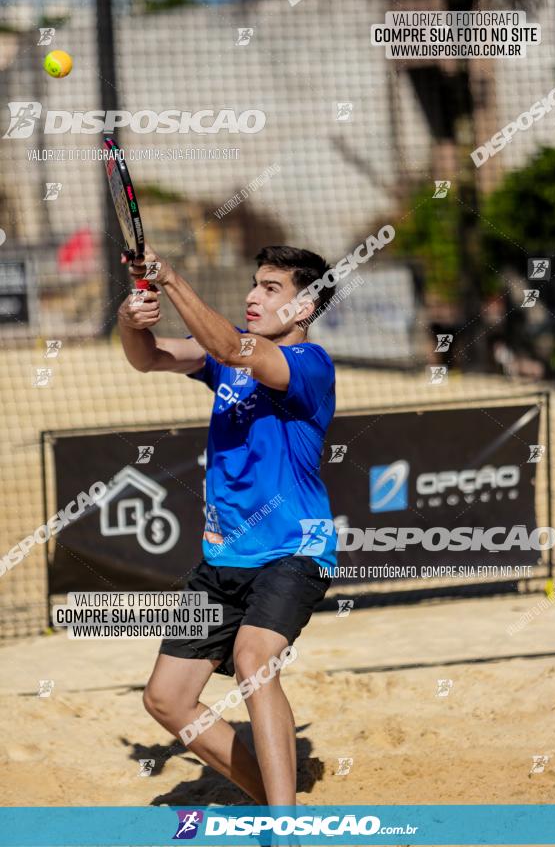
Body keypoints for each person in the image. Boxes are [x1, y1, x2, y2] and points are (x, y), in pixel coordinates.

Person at [117, 243, 337, 807]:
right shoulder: (226, 357)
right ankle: (269, 794)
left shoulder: (310, 365)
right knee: (166, 699)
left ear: (305, 308)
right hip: (221, 558)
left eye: (272, 289)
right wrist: (129, 318)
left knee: (253, 661)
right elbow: (148, 358)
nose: (252, 296)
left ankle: (284, 828)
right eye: (255, 283)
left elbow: (229, 346)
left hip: (295, 549)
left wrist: (169, 278)